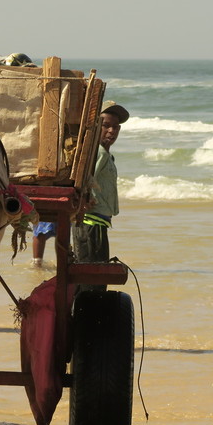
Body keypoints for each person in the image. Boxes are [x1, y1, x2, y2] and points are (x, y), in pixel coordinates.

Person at [72, 101, 126, 289]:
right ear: (95, 127)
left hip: (97, 222)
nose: (112, 131)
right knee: (94, 279)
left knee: (92, 276)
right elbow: (86, 179)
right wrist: (87, 198)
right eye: (106, 126)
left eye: (115, 127)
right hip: (91, 223)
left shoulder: (106, 154)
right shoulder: (99, 153)